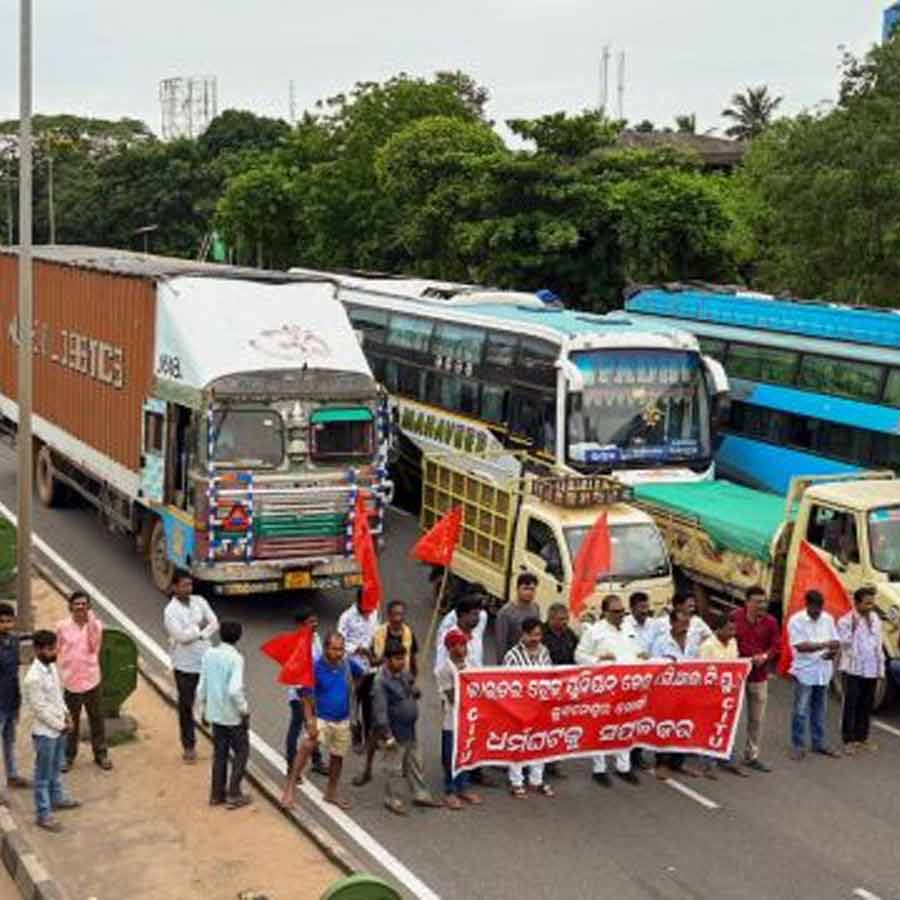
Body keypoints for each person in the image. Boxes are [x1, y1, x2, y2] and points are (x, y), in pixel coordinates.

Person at [281, 632, 363, 811]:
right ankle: (289, 789)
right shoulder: (315, 668)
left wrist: (353, 690)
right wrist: (310, 719)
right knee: (306, 747)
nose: (339, 653)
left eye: (341, 649)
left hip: (343, 719)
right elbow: (305, 695)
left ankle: (331, 792)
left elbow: (360, 675)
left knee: (337, 757)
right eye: (334, 649)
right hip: (322, 718)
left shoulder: (348, 664)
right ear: (326, 648)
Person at [576, 595, 644, 787]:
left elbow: (636, 649)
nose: (620, 614)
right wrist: (598, 662)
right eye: (616, 611)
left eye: (622, 610)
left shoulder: (629, 628)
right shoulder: (594, 631)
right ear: (605, 612)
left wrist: (641, 656)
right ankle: (599, 768)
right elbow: (579, 655)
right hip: (603, 690)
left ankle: (623, 767)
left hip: (628, 688)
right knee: (601, 727)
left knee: (625, 726)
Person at [356, 601, 419, 787]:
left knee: (407, 731)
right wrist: (369, 654)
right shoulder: (380, 634)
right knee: (376, 730)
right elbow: (375, 662)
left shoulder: (408, 634)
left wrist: (413, 682)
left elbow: (413, 661)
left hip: (402, 685)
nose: (398, 618)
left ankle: (408, 773)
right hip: (383, 684)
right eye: (394, 614)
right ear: (389, 615)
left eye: (401, 614)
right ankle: (367, 770)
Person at [372, 645, 441, 815]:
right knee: (394, 768)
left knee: (415, 762)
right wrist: (387, 735)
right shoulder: (380, 681)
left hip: (410, 729)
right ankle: (392, 799)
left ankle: (420, 794)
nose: (402, 662)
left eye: (403, 658)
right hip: (394, 731)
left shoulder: (404, 674)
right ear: (387, 660)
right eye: (397, 659)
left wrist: (414, 691)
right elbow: (380, 711)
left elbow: (411, 690)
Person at [23, 631, 80, 833]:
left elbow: (57, 695)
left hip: (59, 728)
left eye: (54, 647)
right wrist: (60, 725)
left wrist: (67, 715)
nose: (53, 652)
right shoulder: (32, 678)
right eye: (49, 649)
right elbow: (40, 709)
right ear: (37, 650)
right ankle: (43, 813)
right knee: (42, 774)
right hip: (45, 733)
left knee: (56, 768)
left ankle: (57, 799)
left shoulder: (52, 668)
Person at [163, 570, 219, 763]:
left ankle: (206, 714)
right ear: (174, 587)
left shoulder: (200, 601)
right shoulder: (170, 611)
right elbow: (181, 637)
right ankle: (189, 746)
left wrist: (199, 633)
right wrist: (199, 628)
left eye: (190, 585)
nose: (188, 589)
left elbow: (214, 623)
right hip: (184, 665)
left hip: (206, 659)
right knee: (186, 706)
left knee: (212, 695)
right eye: (184, 585)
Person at [56, 592, 111, 772]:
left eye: (83, 604)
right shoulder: (62, 627)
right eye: (76, 604)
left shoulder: (95, 626)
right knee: (71, 722)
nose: (80, 607)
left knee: (96, 719)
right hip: (71, 681)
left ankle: (101, 754)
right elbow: (56, 650)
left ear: (88, 607)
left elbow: (94, 647)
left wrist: (91, 623)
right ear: (70, 606)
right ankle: (68, 756)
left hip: (91, 680)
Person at [197, 620, 250, 809]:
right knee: (242, 752)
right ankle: (234, 793)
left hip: (215, 713)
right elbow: (235, 689)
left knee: (219, 754)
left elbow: (202, 686)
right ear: (238, 637)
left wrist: (202, 709)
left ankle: (216, 794)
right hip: (232, 715)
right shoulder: (236, 658)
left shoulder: (209, 654)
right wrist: (244, 710)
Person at [788, 590, 842, 761]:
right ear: (807, 604)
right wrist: (824, 645)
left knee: (820, 709)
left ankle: (819, 743)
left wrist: (833, 652)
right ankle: (798, 745)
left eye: (820, 608)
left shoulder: (828, 619)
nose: (817, 612)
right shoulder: (796, 620)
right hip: (805, 671)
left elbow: (836, 641)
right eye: (814, 609)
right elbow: (800, 646)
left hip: (823, 671)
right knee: (801, 710)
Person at [731, 585, 780, 773]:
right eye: (757, 601)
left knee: (756, 719)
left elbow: (776, 645)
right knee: (732, 717)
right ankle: (727, 754)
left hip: (759, 676)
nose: (761, 605)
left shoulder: (771, 622)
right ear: (747, 602)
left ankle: (751, 755)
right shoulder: (735, 617)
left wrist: (765, 656)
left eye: (763, 601)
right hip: (737, 675)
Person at [504, 618, 555, 798]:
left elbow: (550, 675)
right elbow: (507, 684)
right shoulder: (512, 655)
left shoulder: (544, 651)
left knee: (539, 743)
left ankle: (536, 780)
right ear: (523, 634)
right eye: (532, 634)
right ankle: (516, 782)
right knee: (518, 743)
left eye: (539, 634)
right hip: (519, 707)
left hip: (540, 705)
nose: (536, 638)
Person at [651, 610, 702, 779]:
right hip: (667, 692)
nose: (684, 626)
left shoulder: (693, 642)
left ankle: (678, 762)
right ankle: (661, 763)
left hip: (687, 690)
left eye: (687, 623)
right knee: (665, 726)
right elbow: (653, 666)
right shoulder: (661, 642)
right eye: (681, 622)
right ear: (672, 623)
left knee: (683, 726)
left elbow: (698, 664)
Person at [435, 629, 482, 810]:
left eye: (463, 645)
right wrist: (464, 678)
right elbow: (453, 697)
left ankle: (464, 786)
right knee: (451, 756)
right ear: (450, 648)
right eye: (457, 645)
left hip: (468, 718)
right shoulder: (445, 670)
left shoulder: (469, 663)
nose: (462, 649)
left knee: (466, 752)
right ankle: (450, 790)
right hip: (452, 720)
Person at [698, 614, 748, 778]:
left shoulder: (732, 642)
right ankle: (708, 763)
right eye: (729, 629)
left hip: (729, 693)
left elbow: (736, 664)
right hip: (711, 694)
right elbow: (705, 673)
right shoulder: (708, 646)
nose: (733, 633)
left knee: (727, 726)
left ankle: (727, 759)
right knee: (709, 728)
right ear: (718, 629)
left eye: (734, 629)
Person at [837, 585, 884, 754]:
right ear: (856, 603)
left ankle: (862, 738)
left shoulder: (876, 620)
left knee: (866, 704)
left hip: (871, 669)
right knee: (851, 704)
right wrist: (854, 628)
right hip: (853, 669)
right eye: (867, 603)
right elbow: (844, 644)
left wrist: (881, 670)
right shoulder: (845, 621)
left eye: (872, 603)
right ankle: (848, 740)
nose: (870, 607)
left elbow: (878, 646)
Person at [286, 607, 326, 777]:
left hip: (315, 691)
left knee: (314, 728)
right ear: (302, 625)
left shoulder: (315, 637)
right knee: (296, 729)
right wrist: (306, 697)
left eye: (315, 620)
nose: (315, 624)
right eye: (311, 622)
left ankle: (317, 760)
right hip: (300, 694)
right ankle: (291, 767)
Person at [336, 591, 378, 754]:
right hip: (352, 665)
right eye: (365, 607)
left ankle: (369, 737)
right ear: (358, 601)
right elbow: (339, 641)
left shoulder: (374, 613)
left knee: (369, 703)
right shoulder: (346, 617)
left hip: (371, 667)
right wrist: (358, 649)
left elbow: (376, 635)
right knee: (354, 703)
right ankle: (356, 736)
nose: (368, 611)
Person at [0, 603, 28, 796]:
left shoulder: (14, 642)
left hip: (11, 700)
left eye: (9, 621)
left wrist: (17, 702)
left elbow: (14, 673)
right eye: (1, 621)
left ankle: (12, 775)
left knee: (9, 741)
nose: (5, 625)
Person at [435, 595, 488, 672]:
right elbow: (440, 668)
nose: (477, 618)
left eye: (478, 615)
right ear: (463, 614)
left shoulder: (476, 636)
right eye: (474, 614)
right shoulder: (450, 636)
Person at [494, 573, 541, 660]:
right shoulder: (505, 613)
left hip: (531, 659)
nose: (529, 592)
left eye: (532, 589)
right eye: (525, 589)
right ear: (517, 589)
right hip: (513, 660)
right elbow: (501, 643)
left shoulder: (535, 608)